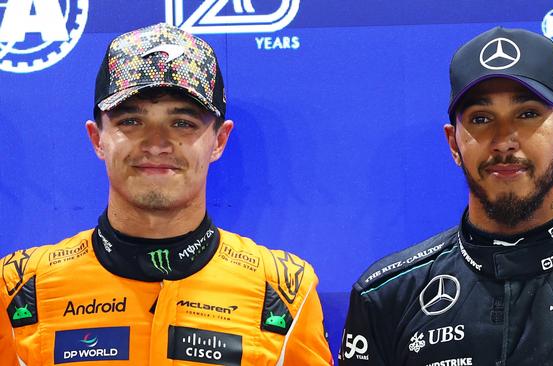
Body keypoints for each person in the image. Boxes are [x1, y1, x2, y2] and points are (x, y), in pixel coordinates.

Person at [0, 23, 333, 365]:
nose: (157, 144)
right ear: (97, 138)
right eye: (131, 121)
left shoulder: (282, 291)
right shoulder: (18, 288)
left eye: (182, 123)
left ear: (219, 141)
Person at [339, 27, 553, 366]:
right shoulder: (385, 296)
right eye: (481, 118)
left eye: (528, 114)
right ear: (454, 144)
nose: (504, 140)